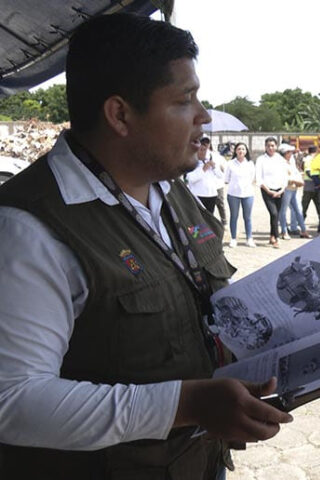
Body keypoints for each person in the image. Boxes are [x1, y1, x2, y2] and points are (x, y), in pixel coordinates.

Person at [0, 13, 292, 480]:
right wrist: (187, 403)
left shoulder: (170, 188)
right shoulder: (29, 229)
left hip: (195, 462)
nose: (204, 116)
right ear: (120, 115)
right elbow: (12, 402)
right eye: (184, 100)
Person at [254, 137, 287, 247]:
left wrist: (281, 190)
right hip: (266, 190)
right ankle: (277, 238)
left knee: (276, 215)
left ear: (276, 146)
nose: (271, 148)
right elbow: (259, 179)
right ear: (265, 147)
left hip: (280, 190)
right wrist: (269, 191)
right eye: (268, 146)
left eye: (273, 146)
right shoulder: (261, 160)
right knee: (273, 213)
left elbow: (285, 176)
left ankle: (272, 235)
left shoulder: (281, 159)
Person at [224, 142, 257, 247]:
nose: (241, 151)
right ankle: (233, 238)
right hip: (233, 194)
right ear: (235, 151)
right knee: (234, 216)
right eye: (239, 149)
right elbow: (226, 179)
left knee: (247, 217)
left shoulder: (250, 164)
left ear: (246, 151)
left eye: (243, 149)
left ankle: (249, 238)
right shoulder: (230, 163)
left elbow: (252, 178)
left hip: (248, 194)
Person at [277, 143, 311, 239]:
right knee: (283, 211)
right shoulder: (281, 164)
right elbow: (283, 178)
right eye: (289, 152)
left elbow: (296, 173)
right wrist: (296, 181)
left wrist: (299, 181)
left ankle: (303, 230)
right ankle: (284, 231)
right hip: (286, 189)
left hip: (293, 189)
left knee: (298, 210)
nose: (291, 153)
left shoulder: (290, 162)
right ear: (285, 153)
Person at [187, 136, 224, 213]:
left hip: (211, 195)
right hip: (198, 195)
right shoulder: (192, 162)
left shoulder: (211, 160)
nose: (203, 152)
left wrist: (214, 167)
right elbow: (190, 179)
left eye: (205, 150)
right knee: (197, 219)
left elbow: (220, 176)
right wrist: (203, 169)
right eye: (200, 150)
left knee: (209, 219)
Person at [301, 145, 320, 221]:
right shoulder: (310, 159)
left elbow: (303, 168)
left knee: (305, 205)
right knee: (317, 204)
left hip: (308, 185)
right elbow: (308, 171)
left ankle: (301, 219)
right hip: (311, 184)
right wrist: (317, 180)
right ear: (315, 151)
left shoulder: (306, 159)